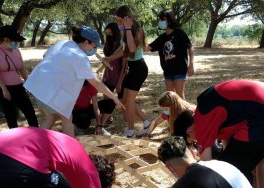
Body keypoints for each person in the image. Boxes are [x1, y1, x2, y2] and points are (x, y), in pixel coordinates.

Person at [24, 26, 124, 137]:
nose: (94, 50)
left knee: (51, 118)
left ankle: (35, 142)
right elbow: (96, 83)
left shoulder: (62, 43)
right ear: (86, 42)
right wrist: (114, 98)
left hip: (37, 85)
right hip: (49, 89)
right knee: (67, 119)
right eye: (94, 46)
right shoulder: (80, 56)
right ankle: (71, 151)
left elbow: (45, 55)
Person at [0, 25, 39, 129]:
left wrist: (30, 84)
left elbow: (22, 69)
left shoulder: (16, 50)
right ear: (6, 39)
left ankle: (36, 135)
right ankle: (15, 140)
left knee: (30, 112)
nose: (16, 43)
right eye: (15, 40)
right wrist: (4, 89)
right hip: (4, 88)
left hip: (19, 87)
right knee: (11, 116)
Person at [115, 5, 151, 138]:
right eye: (117, 21)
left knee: (128, 102)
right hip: (132, 68)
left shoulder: (137, 30)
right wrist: (110, 57)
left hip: (139, 68)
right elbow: (123, 50)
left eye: (120, 21)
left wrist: (128, 28)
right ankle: (146, 121)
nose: (118, 23)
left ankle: (130, 131)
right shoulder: (125, 30)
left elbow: (131, 49)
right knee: (126, 100)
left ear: (127, 18)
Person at [147, 9, 194, 100]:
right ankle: (172, 114)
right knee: (170, 97)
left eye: (162, 20)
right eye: (160, 20)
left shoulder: (179, 32)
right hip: (168, 71)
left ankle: (185, 114)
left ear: (169, 20)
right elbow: (147, 48)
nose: (160, 22)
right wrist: (138, 36)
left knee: (180, 96)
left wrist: (191, 65)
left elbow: (190, 48)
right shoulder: (162, 37)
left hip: (179, 69)